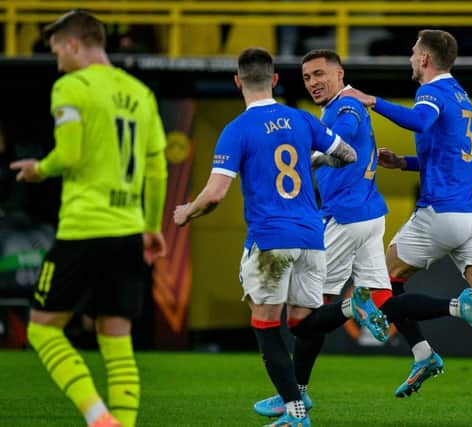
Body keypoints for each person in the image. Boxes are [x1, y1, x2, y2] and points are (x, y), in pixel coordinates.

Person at [252, 49, 472, 418]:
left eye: (320, 74)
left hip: (345, 218)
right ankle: (453, 311)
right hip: (368, 216)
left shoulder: (346, 106)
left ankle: (297, 397)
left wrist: (305, 154)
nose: (314, 83)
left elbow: (345, 135)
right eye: (307, 78)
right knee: (386, 299)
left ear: (340, 74)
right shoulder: (335, 108)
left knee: (304, 318)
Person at [342, 29, 472, 424]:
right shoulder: (461, 95)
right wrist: (403, 163)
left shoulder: (431, 93)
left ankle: (435, 336)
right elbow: (449, 155)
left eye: (413, 52)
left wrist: (370, 100)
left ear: (425, 59)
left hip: (440, 215)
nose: (409, 58)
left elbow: (420, 121)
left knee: (377, 284)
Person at [173, 47, 389, 427]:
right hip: (311, 237)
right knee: (302, 323)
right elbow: (349, 155)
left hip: (271, 239)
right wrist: (316, 159)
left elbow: (215, 194)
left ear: (238, 82)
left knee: (266, 325)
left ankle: (295, 412)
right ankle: (349, 308)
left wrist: (185, 212)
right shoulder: (302, 120)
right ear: (275, 80)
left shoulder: (237, 130)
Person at [9, 10, 168, 427]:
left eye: (57, 48)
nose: (56, 58)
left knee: (42, 329)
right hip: (129, 230)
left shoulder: (71, 87)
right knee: (117, 341)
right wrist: (151, 227)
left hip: (84, 229)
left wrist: (37, 169)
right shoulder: (142, 94)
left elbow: (71, 155)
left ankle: (98, 417)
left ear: (74, 44)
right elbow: (157, 170)